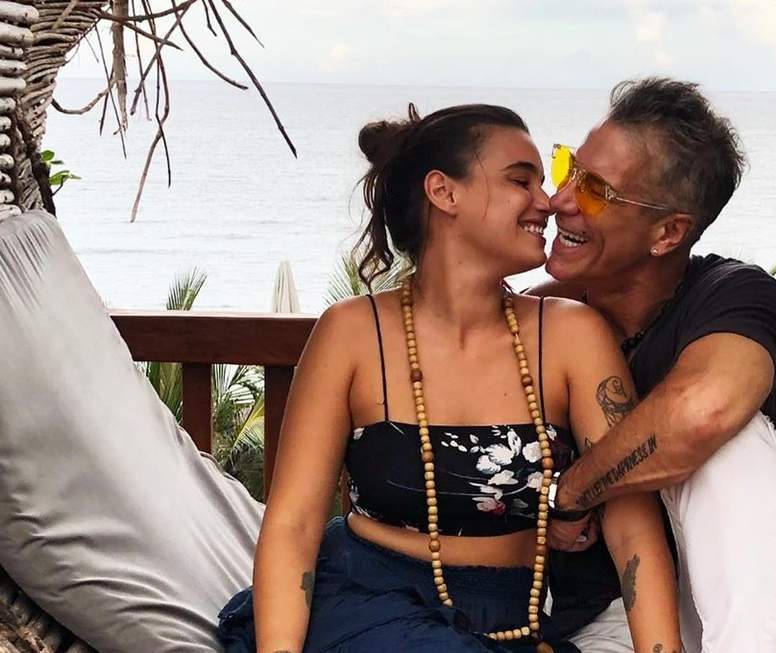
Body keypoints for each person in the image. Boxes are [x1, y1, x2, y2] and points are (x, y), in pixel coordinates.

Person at [216, 103, 682, 653]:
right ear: (444, 192)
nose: (549, 202)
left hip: (510, 620)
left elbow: (632, 527)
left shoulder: (572, 336)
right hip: (364, 602)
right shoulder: (351, 333)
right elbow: (293, 524)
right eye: (521, 181)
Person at [529, 78, 776, 652]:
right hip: (616, 619)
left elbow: (702, 411)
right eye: (568, 169)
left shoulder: (730, 294)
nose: (560, 200)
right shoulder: (539, 321)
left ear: (667, 233)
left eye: (594, 190)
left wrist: (571, 492)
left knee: (726, 442)